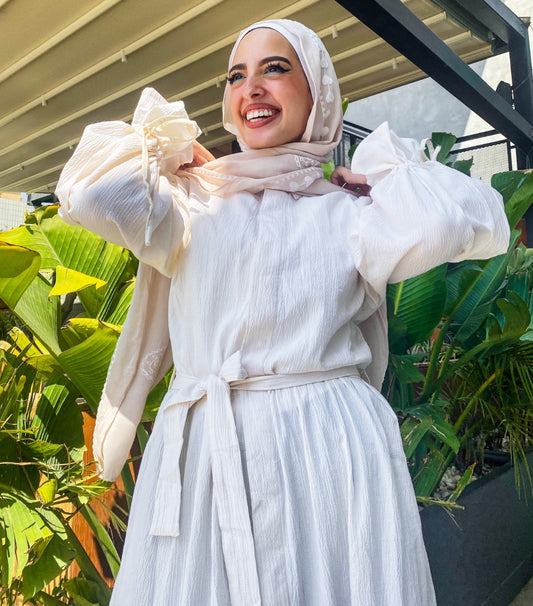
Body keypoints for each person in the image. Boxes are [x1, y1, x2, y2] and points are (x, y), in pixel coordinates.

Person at [56, 18, 510, 606]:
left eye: (276, 67)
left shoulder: (352, 212)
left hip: (326, 451)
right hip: (205, 455)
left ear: (317, 91)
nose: (253, 88)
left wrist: (374, 178)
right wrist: (166, 152)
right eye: (237, 75)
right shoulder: (191, 205)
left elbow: (472, 220)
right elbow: (91, 192)